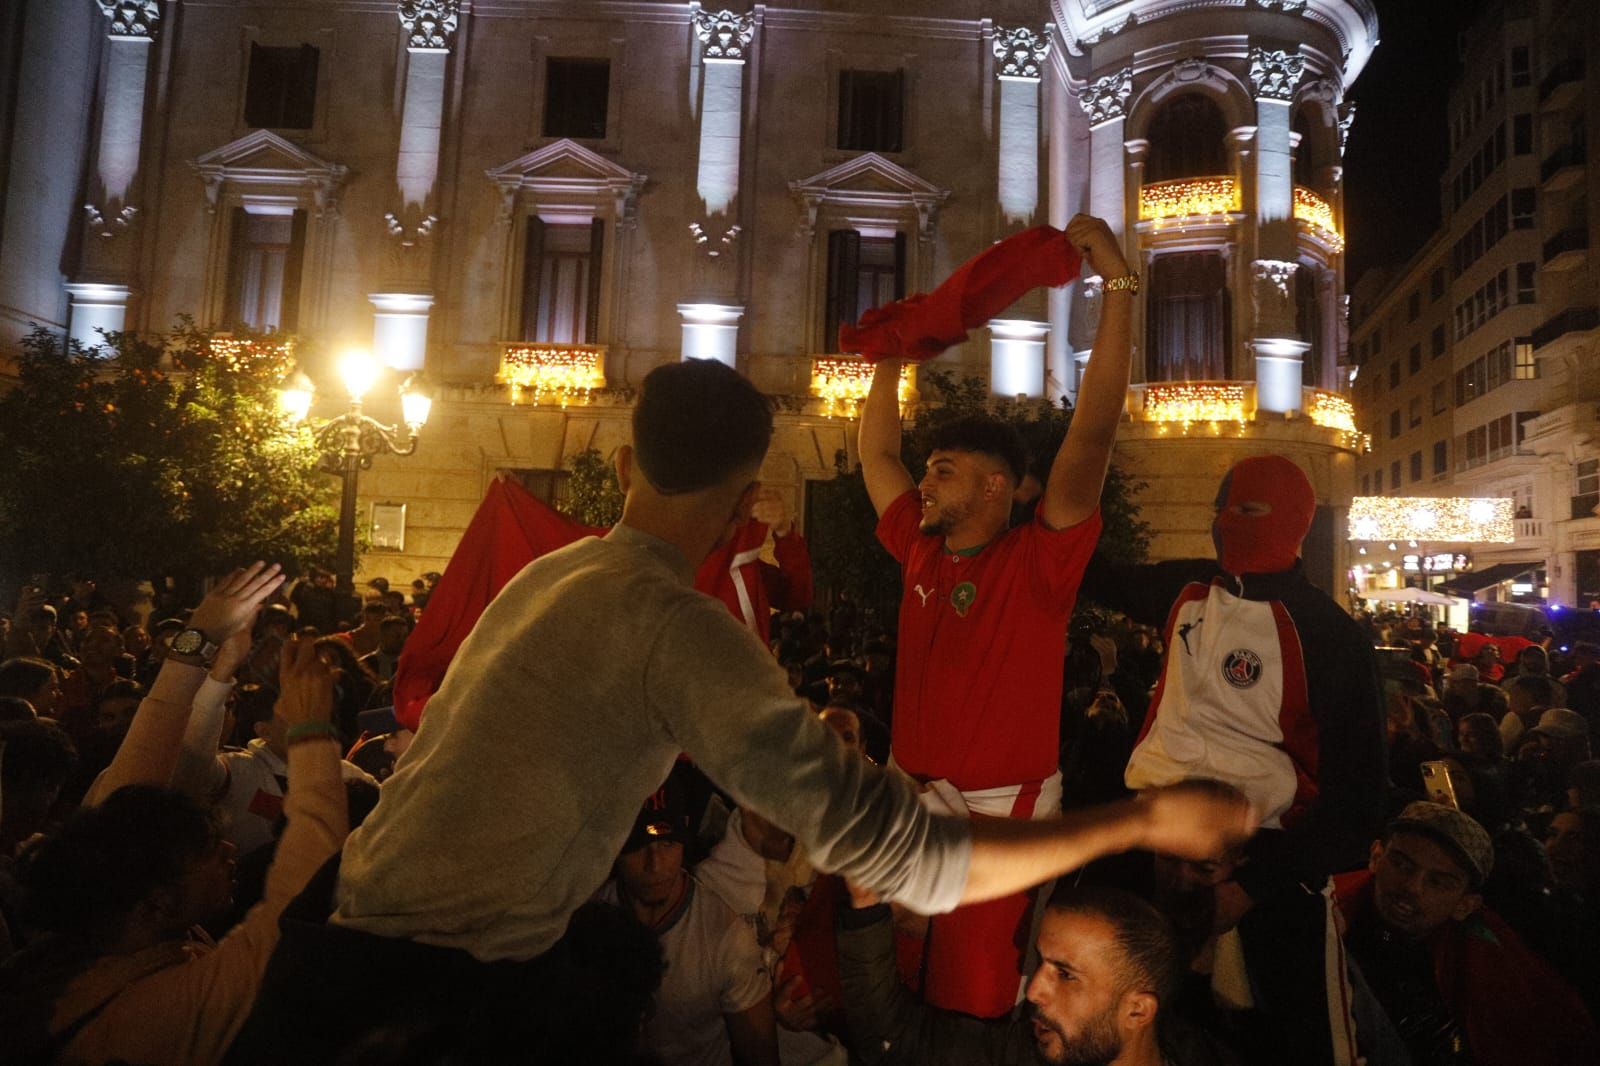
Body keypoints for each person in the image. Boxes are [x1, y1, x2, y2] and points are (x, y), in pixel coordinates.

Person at [226, 358, 1253, 1061]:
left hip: (330, 957)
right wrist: (1137, 820)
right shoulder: (677, 627)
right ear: (751, 497)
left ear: (626, 465)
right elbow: (902, 853)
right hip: (429, 1011)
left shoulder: (546, 578)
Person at [855, 214, 1135, 1016]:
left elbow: (1096, 426)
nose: (923, 483)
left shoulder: (1037, 559)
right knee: (887, 1000)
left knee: (971, 1017)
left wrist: (1118, 284)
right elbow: (876, 456)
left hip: (995, 835)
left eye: (941, 471)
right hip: (908, 814)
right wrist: (888, 357)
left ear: (993, 489)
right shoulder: (921, 550)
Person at [1079, 454, 1386, 1066]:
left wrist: (1249, 888)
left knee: (1297, 1049)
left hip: (1268, 875)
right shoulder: (1186, 588)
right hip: (1150, 852)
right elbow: (1097, 576)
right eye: (1219, 506)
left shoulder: (1331, 637)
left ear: (1292, 520)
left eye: (1245, 508)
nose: (1225, 521)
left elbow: (1359, 806)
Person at [0, 566, 349, 1066]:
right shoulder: (158, 1012)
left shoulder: (88, 928)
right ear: (153, 904)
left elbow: (145, 758)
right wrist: (313, 728)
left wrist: (201, 641)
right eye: (207, 851)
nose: (230, 852)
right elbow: (302, 883)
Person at [835, 881, 1224, 1066]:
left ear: (1137, 1010)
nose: (1035, 989)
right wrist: (866, 902)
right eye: (1041, 962)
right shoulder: (1022, 1051)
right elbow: (894, 1038)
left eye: (1066, 974)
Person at [1336, 802, 1599, 1066]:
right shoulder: (1321, 915)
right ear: (1376, 857)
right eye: (1402, 864)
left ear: (1465, 905)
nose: (1413, 887)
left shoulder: (1491, 978)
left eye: (1439, 881)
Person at [599, 783, 778, 1066]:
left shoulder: (726, 937)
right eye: (637, 846)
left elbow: (760, 1055)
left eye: (667, 843)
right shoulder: (588, 924)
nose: (654, 864)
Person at [175, 630, 376, 859]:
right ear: (264, 730)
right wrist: (221, 674)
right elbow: (193, 758)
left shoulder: (348, 775)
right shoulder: (240, 772)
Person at [1440, 663, 1509, 724]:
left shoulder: (1494, 700)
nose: (1452, 686)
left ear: (1471, 683)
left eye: (1456, 682)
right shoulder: (1451, 700)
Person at [357, 616, 409, 683]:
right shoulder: (365, 665)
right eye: (397, 636)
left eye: (405, 636)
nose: (402, 641)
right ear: (383, 636)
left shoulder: (411, 664)